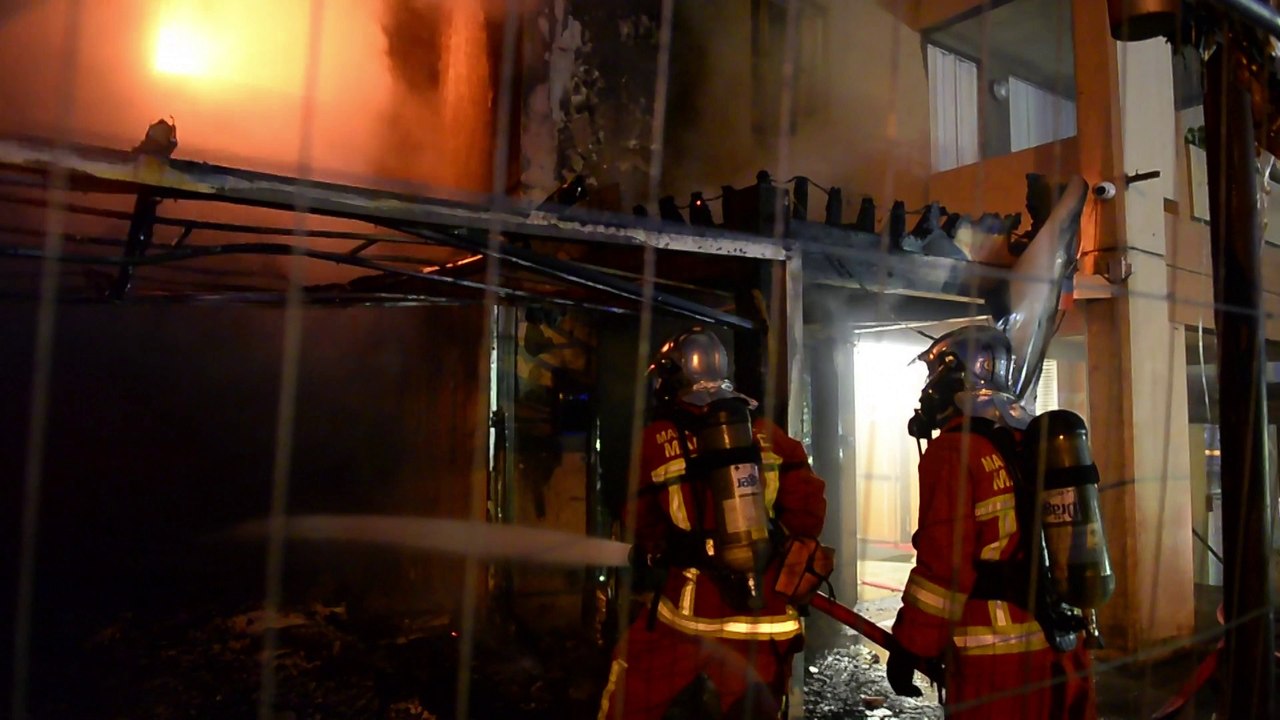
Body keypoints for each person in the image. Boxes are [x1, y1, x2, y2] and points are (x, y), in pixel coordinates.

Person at [597, 327, 829, 720]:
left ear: (671, 377)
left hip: (687, 617)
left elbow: (640, 521)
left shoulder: (657, 439)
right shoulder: (770, 435)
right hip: (766, 617)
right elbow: (808, 512)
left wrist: (660, 551)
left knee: (629, 698)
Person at [886, 324, 1098, 719]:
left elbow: (943, 570)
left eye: (933, 378)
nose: (928, 391)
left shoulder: (953, 451)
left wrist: (911, 645)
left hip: (998, 663)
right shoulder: (1029, 443)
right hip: (1060, 645)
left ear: (955, 377)